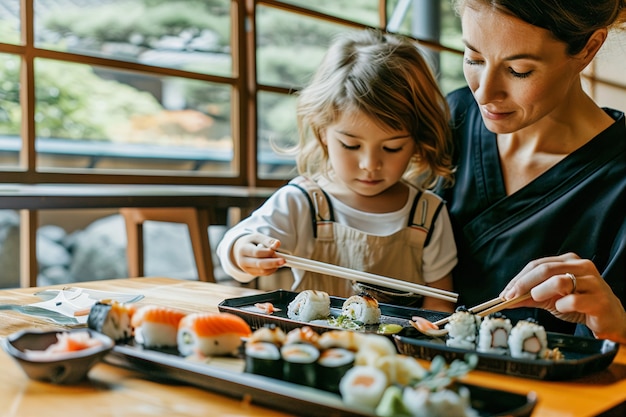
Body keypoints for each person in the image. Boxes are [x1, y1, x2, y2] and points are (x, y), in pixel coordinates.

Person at [217, 29, 457, 312]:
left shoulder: (427, 214)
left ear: (419, 139)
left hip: (393, 354)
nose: (370, 164)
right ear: (322, 132)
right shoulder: (304, 201)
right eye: (350, 145)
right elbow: (237, 242)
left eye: (392, 148)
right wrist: (244, 252)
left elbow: (440, 303)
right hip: (310, 349)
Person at [437, 0, 626, 342]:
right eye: (474, 58)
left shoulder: (619, 178)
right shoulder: (452, 119)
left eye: (519, 70)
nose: (484, 91)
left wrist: (615, 324)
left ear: (589, 48)